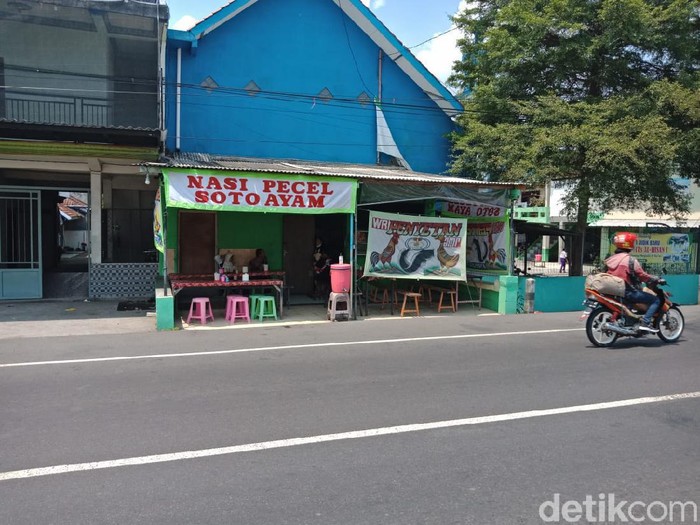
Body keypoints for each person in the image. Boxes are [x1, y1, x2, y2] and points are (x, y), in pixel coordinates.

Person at [603, 232, 661, 332]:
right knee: (655, 300)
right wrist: (654, 278)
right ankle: (646, 322)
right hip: (627, 292)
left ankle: (632, 320)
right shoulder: (630, 260)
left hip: (612, 290)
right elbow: (642, 275)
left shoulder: (610, 259)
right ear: (629, 244)